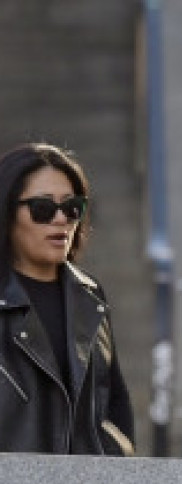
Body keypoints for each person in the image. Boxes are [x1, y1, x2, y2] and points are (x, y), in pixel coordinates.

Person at [0, 142, 134, 454]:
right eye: (43, 209)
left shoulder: (89, 294)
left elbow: (114, 403)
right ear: (7, 213)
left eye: (72, 207)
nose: (61, 220)